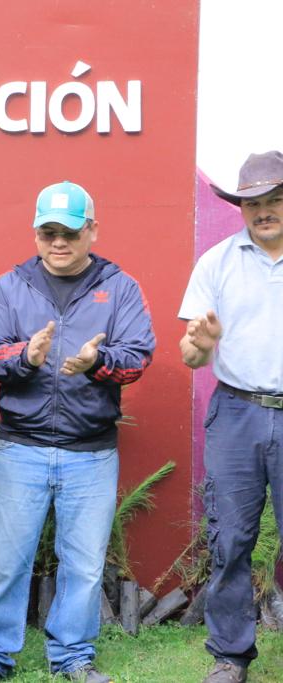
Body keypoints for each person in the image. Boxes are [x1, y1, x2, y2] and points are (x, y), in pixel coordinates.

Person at [0, 181, 155, 683]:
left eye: (69, 232)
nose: (58, 242)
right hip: (19, 449)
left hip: (90, 453)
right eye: (48, 232)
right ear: (36, 232)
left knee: (85, 566)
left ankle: (73, 657)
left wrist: (97, 361)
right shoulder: (10, 286)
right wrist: (25, 356)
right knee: (5, 561)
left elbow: (137, 357)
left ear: (92, 230)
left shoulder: (120, 287)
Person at [179, 151, 283, 683]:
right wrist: (201, 345)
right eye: (253, 203)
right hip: (238, 410)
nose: (263, 211)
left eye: (274, 200)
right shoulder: (216, 262)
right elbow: (191, 355)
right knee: (230, 538)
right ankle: (230, 656)